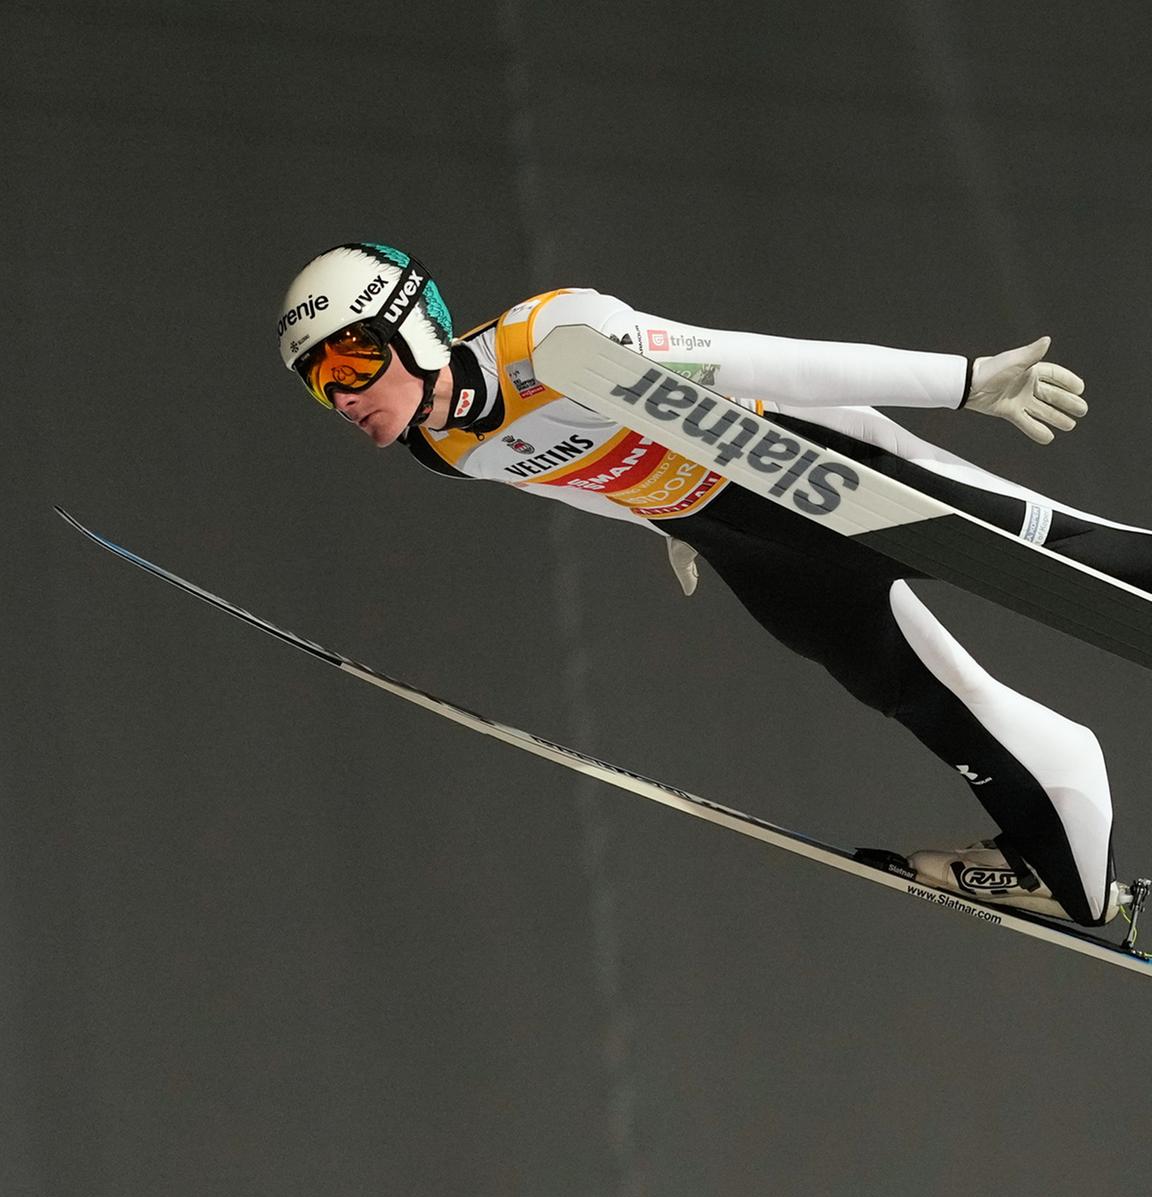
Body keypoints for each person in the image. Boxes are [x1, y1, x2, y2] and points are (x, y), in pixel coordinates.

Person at [276, 241, 1149, 929]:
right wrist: (663, 524)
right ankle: (1053, 829)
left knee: (1072, 559)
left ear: (414, 327)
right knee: (901, 686)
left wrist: (959, 383)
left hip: (815, 465)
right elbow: (573, 477)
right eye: (319, 382)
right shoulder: (443, 449)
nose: (342, 394)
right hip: (739, 536)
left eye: (351, 360)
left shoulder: (551, 342)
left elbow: (757, 365)